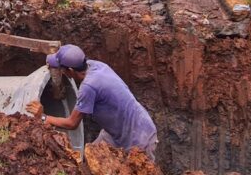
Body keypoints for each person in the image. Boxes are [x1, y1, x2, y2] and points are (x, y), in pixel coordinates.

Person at [26, 44, 158, 161]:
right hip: (116, 132)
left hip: (139, 137)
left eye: (62, 69)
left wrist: (43, 117)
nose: (62, 72)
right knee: (91, 162)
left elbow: (72, 123)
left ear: (71, 71)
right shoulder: (96, 65)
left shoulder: (89, 86)